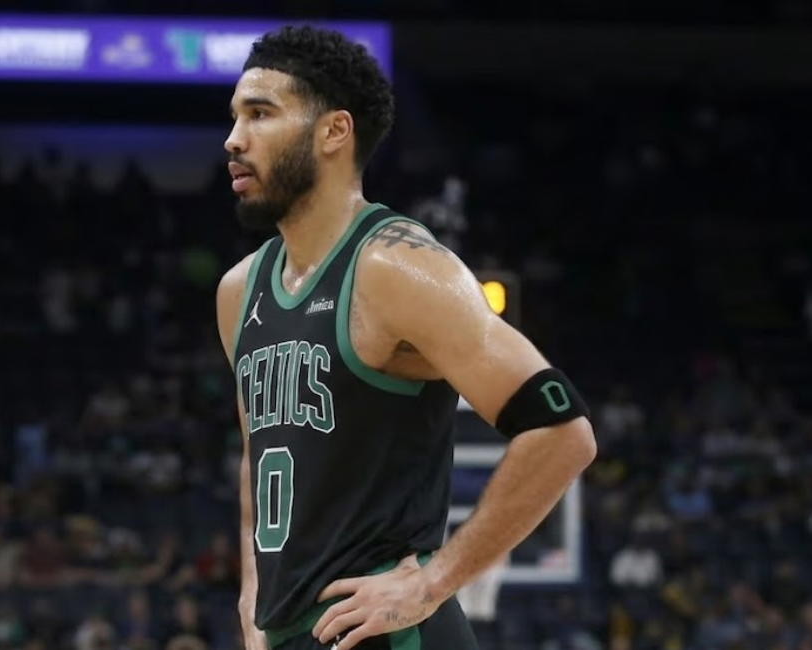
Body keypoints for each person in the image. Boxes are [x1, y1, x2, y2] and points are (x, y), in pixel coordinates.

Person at [214, 25, 597, 650]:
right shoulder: (239, 290)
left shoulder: (398, 266)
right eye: (234, 116)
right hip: (294, 634)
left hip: (390, 633)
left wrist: (432, 582)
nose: (234, 139)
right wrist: (252, 598)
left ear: (334, 131)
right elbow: (259, 455)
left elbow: (562, 432)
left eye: (260, 114)